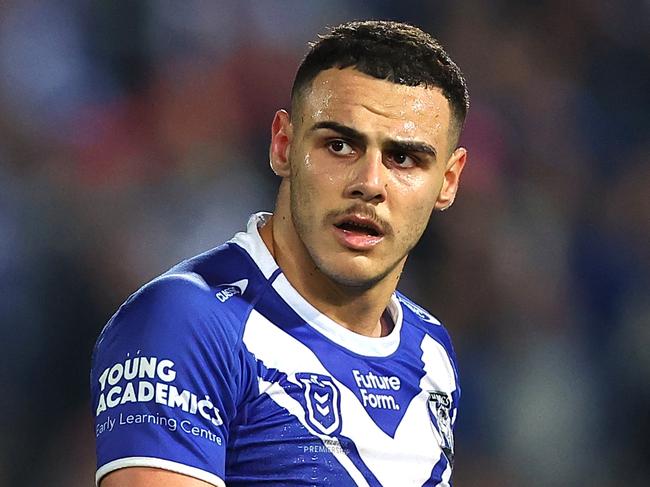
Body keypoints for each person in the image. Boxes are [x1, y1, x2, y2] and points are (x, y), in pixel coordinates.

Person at [91, 20, 469, 487]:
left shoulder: (430, 351)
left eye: (404, 159)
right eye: (339, 145)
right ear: (283, 146)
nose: (370, 184)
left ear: (448, 182)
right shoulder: (189, 321)